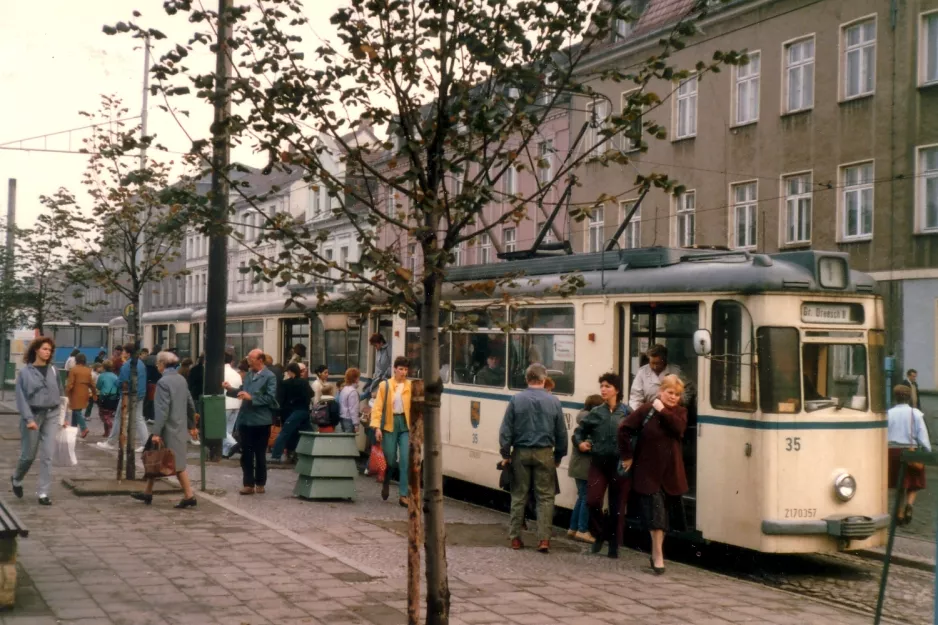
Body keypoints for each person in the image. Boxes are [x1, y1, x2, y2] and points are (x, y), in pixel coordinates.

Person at [619, 374, 688, 575]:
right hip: (648, 471)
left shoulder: (680, 413)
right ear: (661, 391)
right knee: (656, 515)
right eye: (670, 393)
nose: (674, 397)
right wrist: (627, 456)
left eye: (677, 394)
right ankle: (658, 555)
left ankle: (656, 552)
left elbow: (678, 428)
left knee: (662, 517)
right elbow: (624, 429)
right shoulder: (646, 410)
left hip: (671, 473)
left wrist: (662, 410)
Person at [498, 363, 568, 553]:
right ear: (544, 379)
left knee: (519, 494)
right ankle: (544, 539)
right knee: (545, 496)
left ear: (527, 379)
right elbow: (561, 431)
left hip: (520, 452)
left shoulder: (516, 399)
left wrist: (506, 453)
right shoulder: (554, 401)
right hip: (545, 452)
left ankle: (515, 538)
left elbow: (506, 429)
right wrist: (559, 454)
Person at [131, 351, 198, 509]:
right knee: (157, 458)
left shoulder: (163, 382)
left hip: (168, 428)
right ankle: (147, 492)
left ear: (162, 364)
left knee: (173, 462)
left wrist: (156, 433)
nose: (156, 366)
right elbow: (189, 403)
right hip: (180, 426)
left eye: (158, 363)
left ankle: (189, 495)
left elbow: (162, 410)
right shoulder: (181, 379)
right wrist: (192, 425)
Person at [574, 373, 630, 558]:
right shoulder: (596, 412)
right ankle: (600, 534)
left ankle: (614, 545)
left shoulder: (627, 413)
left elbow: (636, 435)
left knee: (617, 506)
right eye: (602, 386)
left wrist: (630, 456)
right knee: (592, 500)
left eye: (607, 386)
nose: (603, 389)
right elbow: (578, 433)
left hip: (619, 465)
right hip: (599, 463)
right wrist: (580, 443)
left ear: (617, 389)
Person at [11, 337, 65, 506]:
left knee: (47, 455)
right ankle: (17, 478)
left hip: (52, 414)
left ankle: (43, 492)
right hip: (33, 415)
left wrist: (64, 418)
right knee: (28, 455)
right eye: (44, 349)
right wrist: (28, 419)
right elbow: (21, 398)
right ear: (36, 350)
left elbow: (61, 395)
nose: (47, 352)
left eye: (49, 350)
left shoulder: (54, 370)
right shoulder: (25, 373)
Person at [223, 348, 278, 495]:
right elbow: (242, 391)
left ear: (260, 360)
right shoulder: (248, 376)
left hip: (261, 421)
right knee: (246, 454)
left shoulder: (269, 377)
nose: (249, 362)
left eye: (251, 359)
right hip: (245, 420)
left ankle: (260, 482)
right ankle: (248, 484)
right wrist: (230, 390)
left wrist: (252, 398)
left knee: (259, 454)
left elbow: (271, 398)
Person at [371, 357, 414, 507]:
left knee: (404, 459)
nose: (403, 372)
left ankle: (403, 495)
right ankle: (387, 481)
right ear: (395, 369)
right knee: (390, 459)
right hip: (390, 424)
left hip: (405, 424)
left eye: (406, 369)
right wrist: (377, 427)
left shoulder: (411, 386)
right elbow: (377, 408)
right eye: (401, 369)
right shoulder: (385, 386)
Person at [888, 384, 931, 525]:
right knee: (914, 482)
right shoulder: (916, 413)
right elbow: (922, 435)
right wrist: (927, 451)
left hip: (893, 451)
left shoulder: (889, 413)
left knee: (899, 485)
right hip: (911, 450)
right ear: (909, 397)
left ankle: (899, 514)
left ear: (895, 397)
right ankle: (910, 506)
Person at [96, 344, 149, 453]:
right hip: (140, 394)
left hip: (128, 395)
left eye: (124, 352)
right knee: (139, 418)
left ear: (128, 353)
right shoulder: (141, 364)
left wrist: (116, 382)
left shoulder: (127, 365)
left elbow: (121, 382)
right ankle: (146, 443)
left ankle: (111, 442)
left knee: (119, 417)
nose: (122, 353)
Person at [567, 394, 603, 544]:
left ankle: (573, 528)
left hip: (578, 467)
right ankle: (582, 530)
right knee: (586, 498)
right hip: (584, 468)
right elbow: (589, 444)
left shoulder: (582, 422)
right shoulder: (590, 425)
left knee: (582, 496)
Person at [269, 362, 313, 464]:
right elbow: (311, 394)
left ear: (290, 372)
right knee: (308, 432)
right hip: (303, 411)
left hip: (290, 412)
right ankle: (308, 453)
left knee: (286, 433)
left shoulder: (285, 384)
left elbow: (280, 399)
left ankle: (276, 455)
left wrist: (278, 413)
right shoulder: (304, 382)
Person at [628, 344, 684, 410]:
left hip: (671, 411)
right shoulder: (642, 372)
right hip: (647, 412)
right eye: (652, 363)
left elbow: (683, 395)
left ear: (664, 360)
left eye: (658, 363)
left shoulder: (676, 371)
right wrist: (638, 414)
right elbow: (635, 397)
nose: (655, 366)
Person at [65, 353, 96, 439]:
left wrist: (66, 392)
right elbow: (92, 384)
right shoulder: (88, 370)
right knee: (76, 412)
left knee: (76, 412)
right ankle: (73, 430)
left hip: (75, 394)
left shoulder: (73, 370)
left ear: (76, 360)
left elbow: (70, 384)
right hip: (84, 394)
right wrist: (94, 394)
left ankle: (83, 428)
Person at [222, 352, 243, 459]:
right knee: (228, 429)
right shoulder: (236, 373)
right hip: (237, 403)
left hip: (224, 403)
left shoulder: (220, 372)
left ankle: (233, 444)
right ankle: (225, 452)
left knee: (220, 429)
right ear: (231, 361)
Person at [96, 360, 120, 438]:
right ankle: (106, 432)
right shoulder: (115, 376)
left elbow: (98, 386)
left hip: (104, 397)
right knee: (109, 414)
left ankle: (111, 428)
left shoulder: (102, 376)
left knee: (103, 415)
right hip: (114, 398)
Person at [338, 368, 362, 433]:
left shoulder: (344, 389)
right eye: (358, 377)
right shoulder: (353, 392)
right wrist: (356, 424)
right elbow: (353, 409)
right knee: (350, 441)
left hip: (342, 418)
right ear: (355, 379)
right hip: (349, 420)